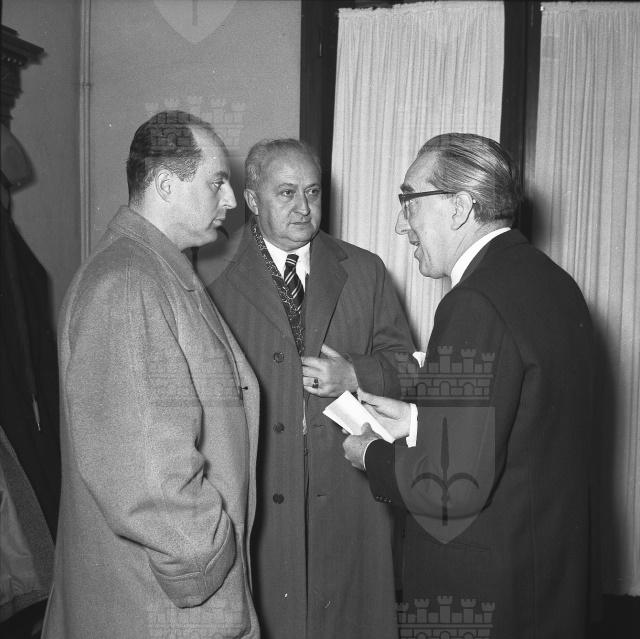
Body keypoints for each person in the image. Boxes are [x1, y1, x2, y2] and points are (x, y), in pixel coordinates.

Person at [343, 133, 597, 638]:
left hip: (483, 595)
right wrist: (418, 420)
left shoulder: (472, 302)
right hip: (544, 582)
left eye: (409, 201)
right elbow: (525, 424)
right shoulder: (554, 283)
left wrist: (370, 453)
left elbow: (450, 489)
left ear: (459, 207)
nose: (401, 224)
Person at [43, 110, 260, 639]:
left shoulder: (150, 271)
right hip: (160, 609)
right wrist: (208, 559)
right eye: (216, 182)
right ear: (165, 184)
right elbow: (147, 472)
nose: (231, 199)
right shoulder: (128, 284)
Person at [207, 138, 415, 639]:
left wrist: (355, 374)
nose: (304, 207)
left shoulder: (364, 270)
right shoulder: (212, 279)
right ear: (252, 200)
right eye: (286, 193)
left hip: (349, 488)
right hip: (259, 489)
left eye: (313, 192)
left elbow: (409, 369)